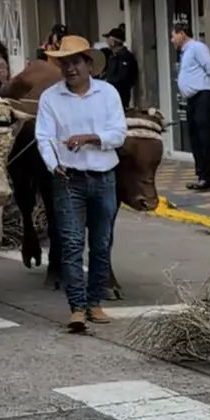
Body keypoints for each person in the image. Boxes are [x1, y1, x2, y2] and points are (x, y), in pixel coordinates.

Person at [34, 36, 128, 333]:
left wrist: (90, 138)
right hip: (68, 179)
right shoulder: (50, 98)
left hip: (103, 177)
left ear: (89, 64)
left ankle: (95, 302)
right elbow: (44, 137)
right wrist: (54, 164)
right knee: (72, 244)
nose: (70, 68)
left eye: (75, 62)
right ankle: (76, 308)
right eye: (65, 63)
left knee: (101, 244)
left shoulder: (108, 93)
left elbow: (119, 134)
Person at [172, 22, 210, 191]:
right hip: (193, 99)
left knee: (205, 137)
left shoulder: (197, 48)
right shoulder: (185, 53)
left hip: (204, 96)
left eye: (174, 35)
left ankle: (207, 177)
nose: (172, 40)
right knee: (194, 137)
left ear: (182, 34)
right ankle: (201, 174)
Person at [101, 27, 139, 109]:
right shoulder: (112, 56)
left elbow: (123, 78)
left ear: (115, 42)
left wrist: (108, 82)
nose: (107, 41)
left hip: (120, 96)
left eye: (109, 39)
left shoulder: (125, 56)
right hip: (111, 95)